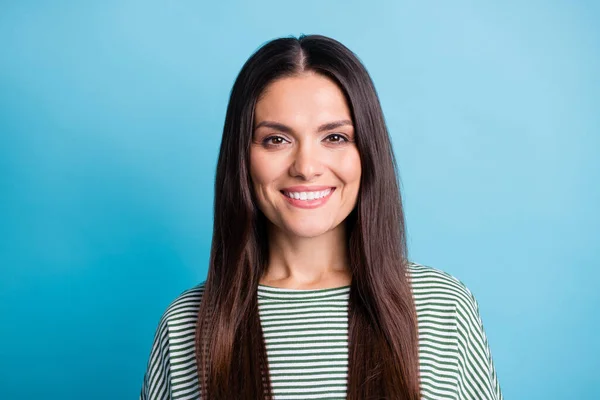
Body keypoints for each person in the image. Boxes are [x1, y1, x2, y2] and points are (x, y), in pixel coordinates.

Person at [139, 34, 503, 400]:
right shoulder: (186, 323)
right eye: (276, 140)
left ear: (367, 152)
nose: (306, 167)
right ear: (242, 159)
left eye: (335, 137)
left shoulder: (442, 307)